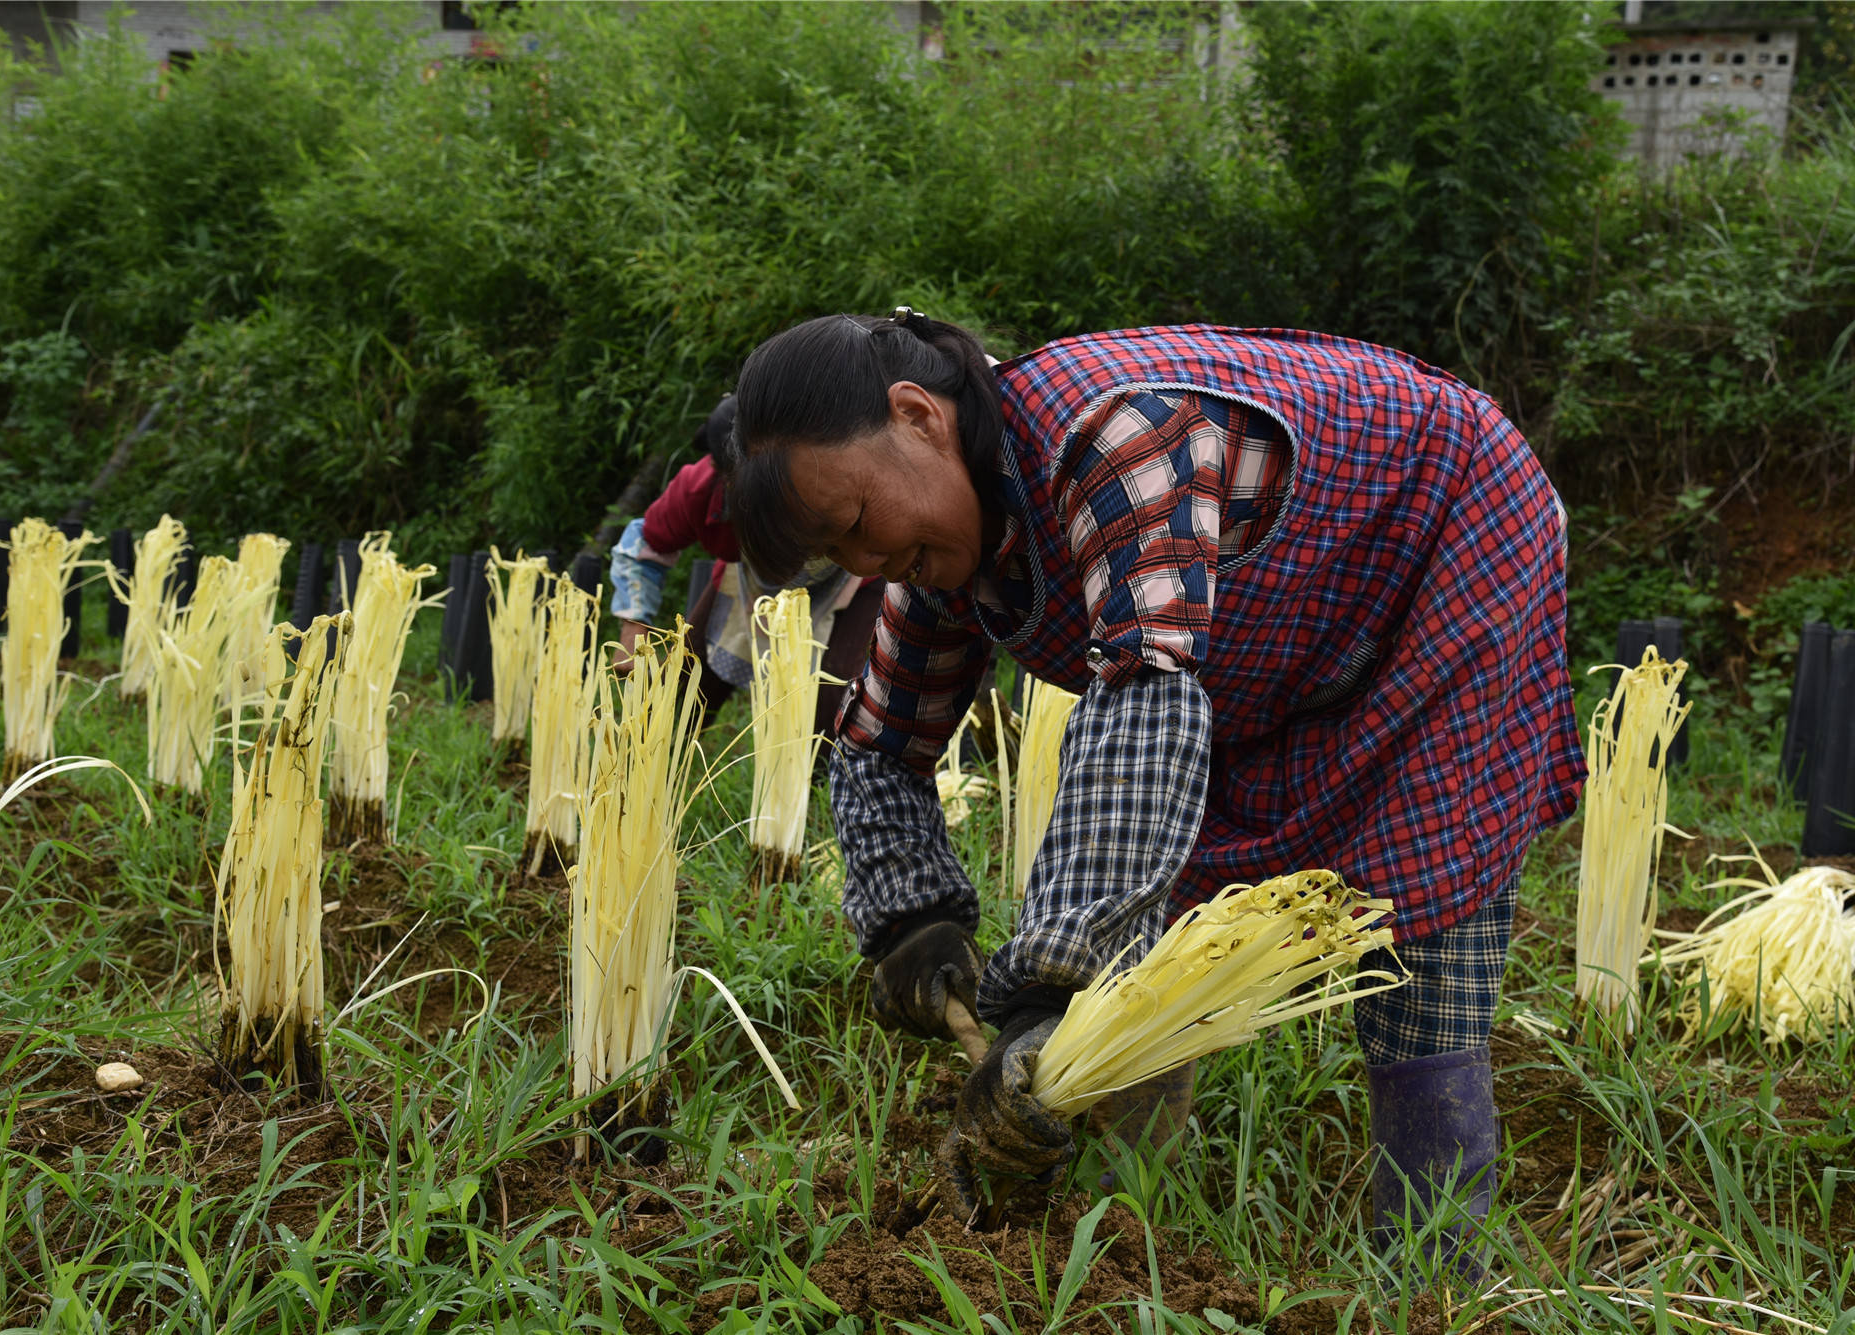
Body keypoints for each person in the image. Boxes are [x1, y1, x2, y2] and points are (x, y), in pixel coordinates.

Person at [723, 309, 1586, 1267]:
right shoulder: (939, 541)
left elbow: (1142, 705)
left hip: (1454, 539)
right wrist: (910, 918)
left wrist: (1052, 989)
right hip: (1291, 641)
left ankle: (1433, 1281)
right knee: (1165, 939)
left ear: (918, 416)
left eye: (857, 525)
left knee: (1423, 928)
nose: (871, 565)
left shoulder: (1117, 432)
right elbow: (880, 744)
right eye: (843, 559)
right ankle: (1103, 1250)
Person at [608, 395, 885, 732]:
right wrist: (633, 625)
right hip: (748, 580)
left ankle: (817, 780)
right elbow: (645, 543)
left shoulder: (832, 476)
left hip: (850, 583)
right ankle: (646, 772)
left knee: (833, 703)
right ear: (724, 476)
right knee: (680, 685)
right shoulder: (698, 489)